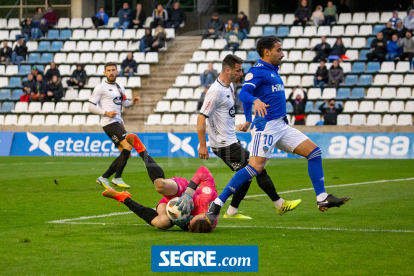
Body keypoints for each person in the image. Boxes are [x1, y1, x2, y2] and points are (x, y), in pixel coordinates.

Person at [200, 36, 350, 226]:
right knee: (255, 167)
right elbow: (245, 94)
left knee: (314, 153)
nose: (283, 53)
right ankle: (217, 204)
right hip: (266, 126)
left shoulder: (273, 70)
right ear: (267, 52)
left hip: (282, 125)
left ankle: (322, 197)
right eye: (279, 50)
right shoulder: (257, 71)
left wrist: (247, 119)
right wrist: (254, 104)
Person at [197, 54, 301, 219]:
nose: (241, 74)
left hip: (231, 141)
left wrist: (246, 121)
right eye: (238, 71)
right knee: (257, 168)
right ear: (227, 70)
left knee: (248, 174)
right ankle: (279, 203)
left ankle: (232, 211)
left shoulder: (229, 86)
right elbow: (202, 117)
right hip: (223, 145)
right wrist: (203, 145)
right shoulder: (215, 91)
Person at [103, 134, 218, 232]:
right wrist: (188, 194)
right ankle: (142, 151)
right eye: (193, 219)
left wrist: (184, 222)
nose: (191, 220)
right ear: (204, 216)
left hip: (173, 206)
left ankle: (124, 198)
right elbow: (203, 171)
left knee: (163, 222)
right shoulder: (208, 199)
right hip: (183, 190)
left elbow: (192, 225)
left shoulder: (199, 226)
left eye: (190, 223)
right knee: (160, 185)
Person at [89, 62, 140, 189]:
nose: (111, 72)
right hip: (109, 123)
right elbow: (90, 106)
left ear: (117, 72)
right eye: (109, 70)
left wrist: (132, 102)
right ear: (104, 73)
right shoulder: (101, 88)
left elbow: (124, 103)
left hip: (118, 122)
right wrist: (105, 112)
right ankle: (117, 178)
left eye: (113, 70)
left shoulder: (119, 86)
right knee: (128, 145)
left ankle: (104, 177)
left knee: (126, 153)